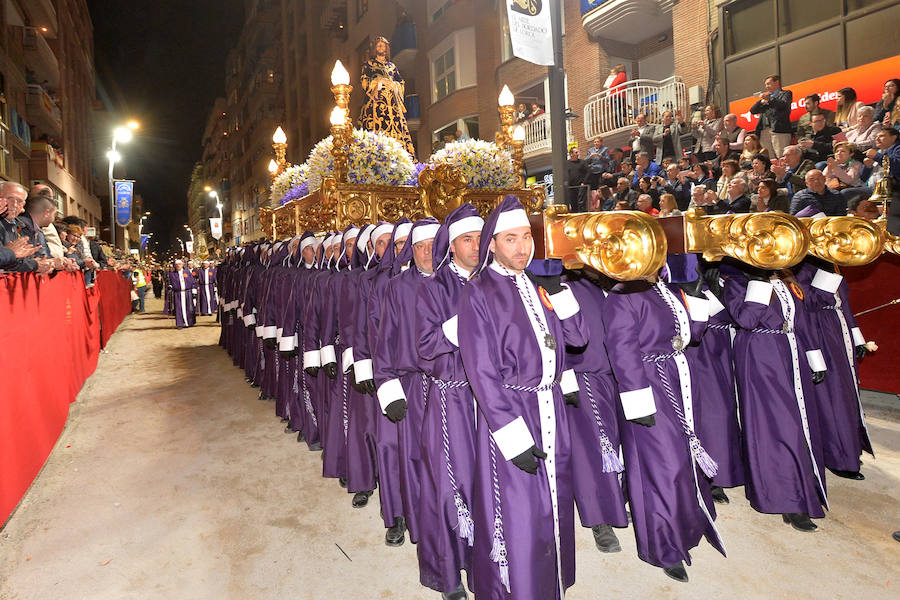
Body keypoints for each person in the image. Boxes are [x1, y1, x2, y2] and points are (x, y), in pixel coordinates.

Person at [458, 195, 587, 599]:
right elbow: (481, 373)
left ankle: (551, 583)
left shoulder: (538, 283)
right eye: (510, 239)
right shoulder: (478, 291)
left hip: (551, 408)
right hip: (513, 414)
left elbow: (578, 338)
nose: (522, 247)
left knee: (555, 499)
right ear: (492, 244)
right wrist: (512, 437)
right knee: (518, 511)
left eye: (526, 237)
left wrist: (559, 291)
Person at [603, 268, 724, 583]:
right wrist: (637, 402)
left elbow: (692, 336)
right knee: (661, 468)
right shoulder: (622, 294)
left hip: (679, 378)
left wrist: (696, 296)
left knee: (683, 463)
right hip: (648, 386)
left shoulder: (665, 289)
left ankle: (687, 526)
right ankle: (664, 547)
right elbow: (622, 350)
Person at [723, 265, 829, 533]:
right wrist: (758, 282)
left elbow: (802, 321)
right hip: (760, 355)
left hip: (791, 353)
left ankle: (803, 488)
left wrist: (815, 359)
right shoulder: (737, 281)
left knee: (802, 424)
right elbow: (746, 320)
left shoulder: (787, 280)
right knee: (779, 427)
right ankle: (789, 499)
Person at [415, 203, 484, 600]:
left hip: (492, 401)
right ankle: (447, 574)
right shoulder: (434, 288)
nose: (475, 247)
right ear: (451, 246)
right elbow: (424, 346)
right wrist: (466, 322)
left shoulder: (496, 280)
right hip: (451, 399)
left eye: (479, 238)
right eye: (466, 240)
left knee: (487, 485)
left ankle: (485, 566)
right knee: (447, 486)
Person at [374, 218, 439, 547]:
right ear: (410, 252)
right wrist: (389, 387)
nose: (427, 253)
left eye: (432, 246)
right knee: (409, 456)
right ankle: (407, 516)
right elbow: (385, 340)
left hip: (451, 388)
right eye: (420, 247)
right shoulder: (397, 287)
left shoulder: (458, 281)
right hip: (412, 385)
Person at [358, 36, 415, 157]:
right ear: (374, 49)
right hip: (376, 104)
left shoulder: (392, 67)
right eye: (378, 45)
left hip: (393, 106)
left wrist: (393, 84)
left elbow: (401, 82)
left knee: (399, 132)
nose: (381, 47)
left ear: (386, 49)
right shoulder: (368, 65)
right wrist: (379, 82)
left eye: (383, 46)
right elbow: (364, 81)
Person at [750, 75, 793, 159]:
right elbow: (753, 111)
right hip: (764, 130)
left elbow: (783, 105)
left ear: (777, 83)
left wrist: (770, 99)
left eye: (768, 84)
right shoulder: (766, 98)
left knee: (781, 155)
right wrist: (760, 102)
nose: (766, 87)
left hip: (779, 129)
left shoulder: (786, 93)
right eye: (765, 84)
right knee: (768, 157)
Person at [169, 259, 197, 329]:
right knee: (178, 309)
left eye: (180, 264)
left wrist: (194, 291)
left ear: (182, 265)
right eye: (177, 265)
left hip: (187, 292)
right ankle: (180, 324)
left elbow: (193, 282)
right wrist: (170, 287)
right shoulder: (172, 274)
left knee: (189, 308)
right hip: (178, 293)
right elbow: (170, 283)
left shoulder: (187, 272)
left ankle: (189, 322)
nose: (178, 266)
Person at [566, 147, 588, 212]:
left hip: (580, 186)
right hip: (571, 187)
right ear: (571, 154)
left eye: (578, 152)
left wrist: (584, 182)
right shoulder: (566, 163)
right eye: (576, 152)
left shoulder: (582, 162)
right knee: (573, 204)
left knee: (581, 204)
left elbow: (587, 173)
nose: (578, 154)